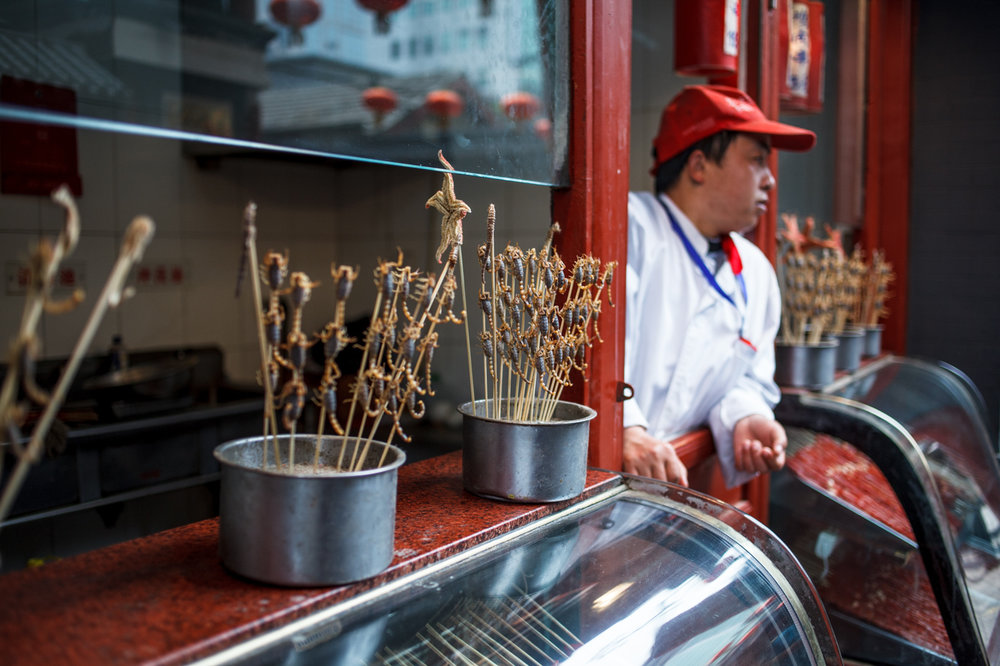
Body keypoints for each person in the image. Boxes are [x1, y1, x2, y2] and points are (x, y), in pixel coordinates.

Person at [623, 84, 816, 487]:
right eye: (757, 161)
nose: (770, 181)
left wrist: (747, 416)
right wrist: (624, 429)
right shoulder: (631, 228)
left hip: (673, 491)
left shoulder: (757, 271)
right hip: (595, 486)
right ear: (698, 166)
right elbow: (587, 359)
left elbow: (746, 378)